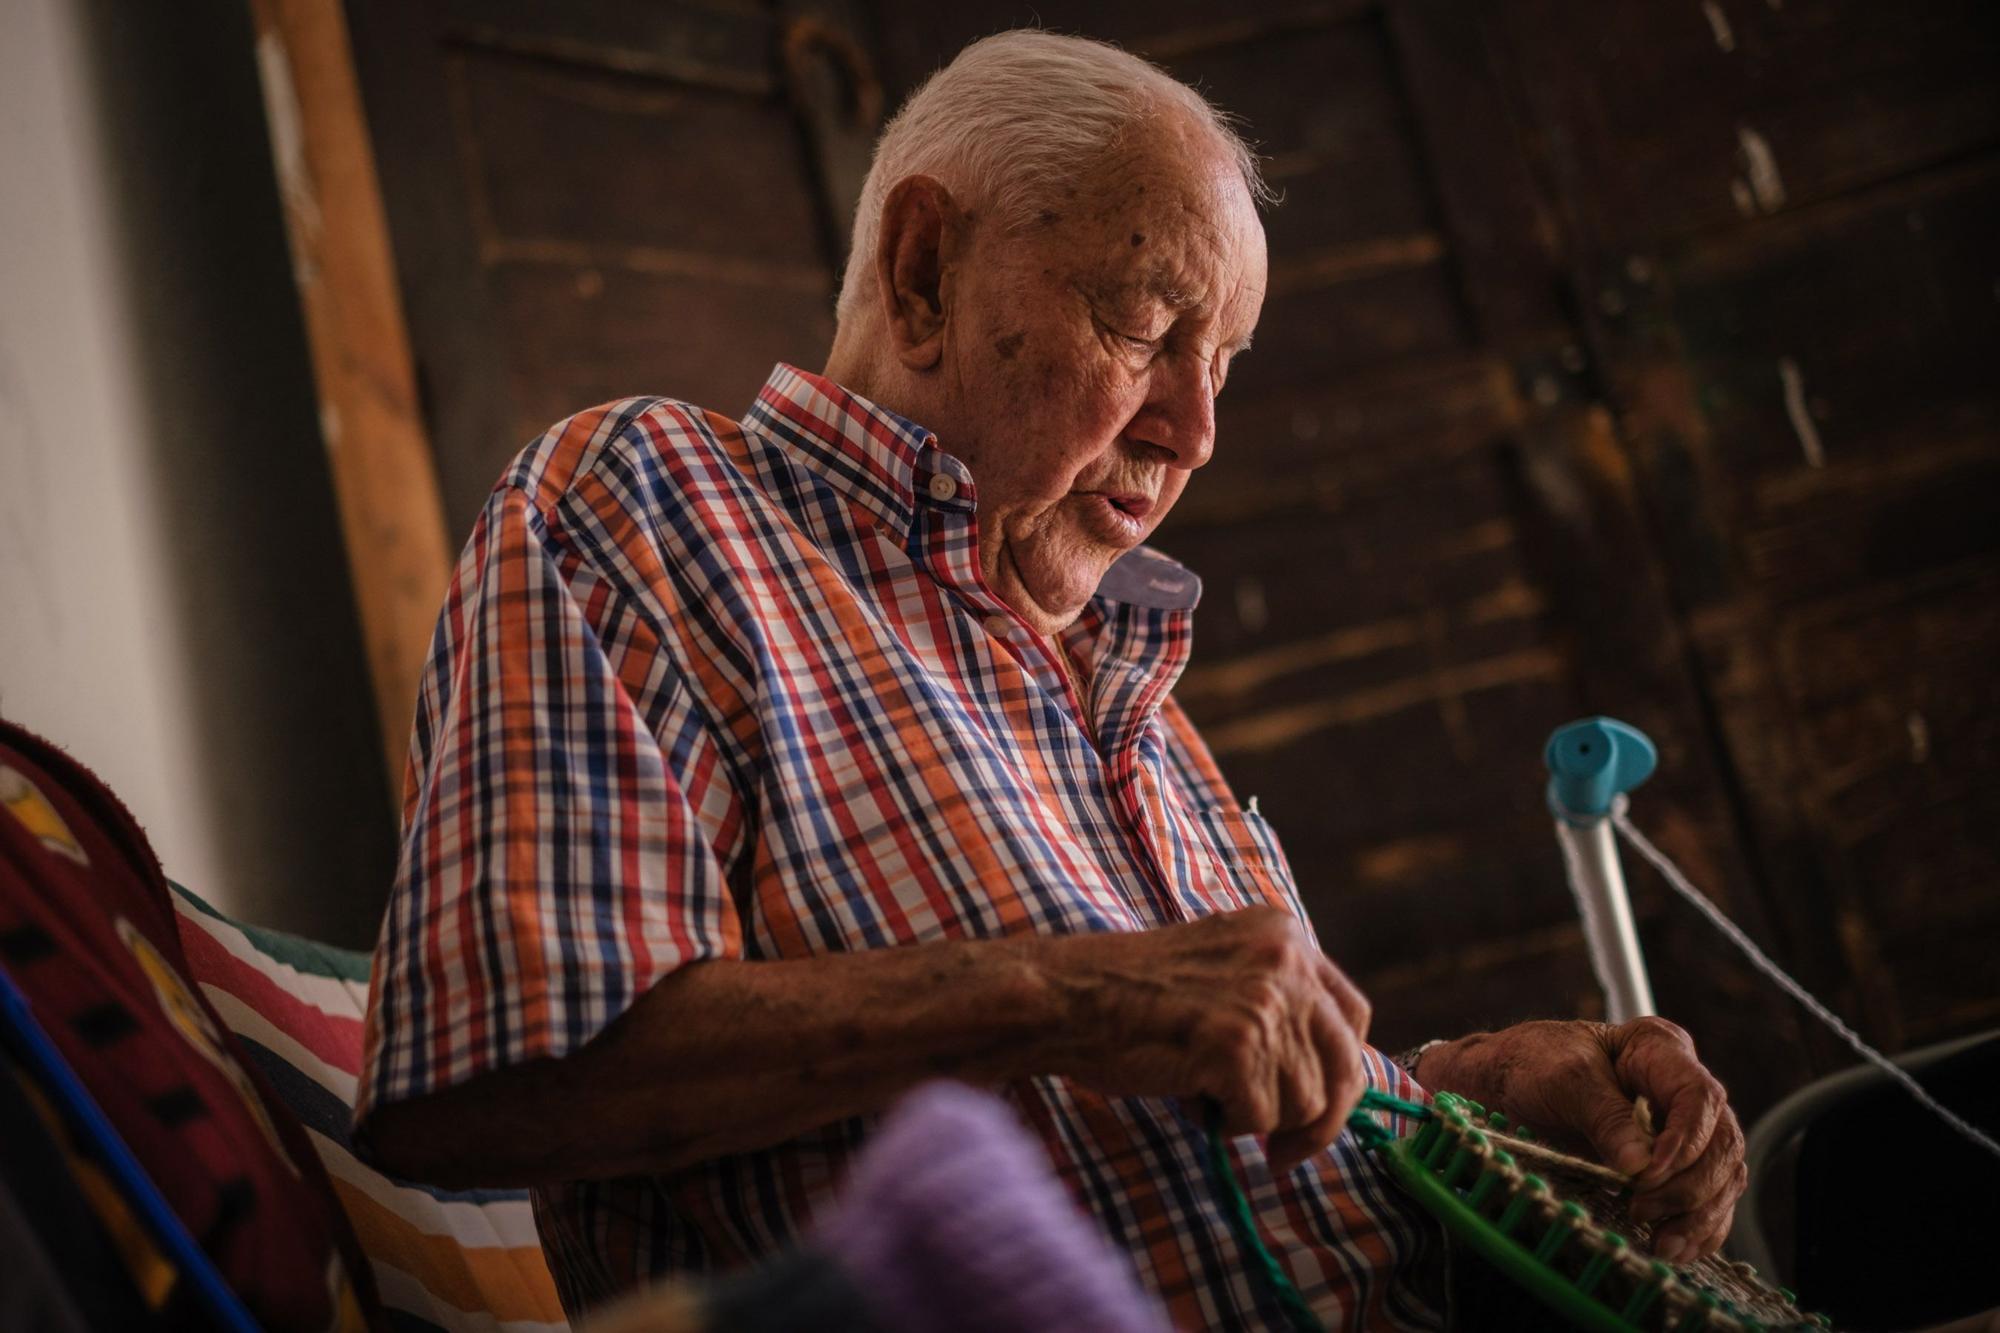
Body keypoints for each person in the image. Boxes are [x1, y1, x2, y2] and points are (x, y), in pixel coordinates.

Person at [355, 30, 1746, 1330]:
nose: (1195, 431)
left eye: (1225, 366)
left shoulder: (1121, 679)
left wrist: (1477, 1096)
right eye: (1145, 327)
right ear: (922, 273)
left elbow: (1250, 1108)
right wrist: (1074, 997)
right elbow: (485, 1078)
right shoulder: (654, 502)